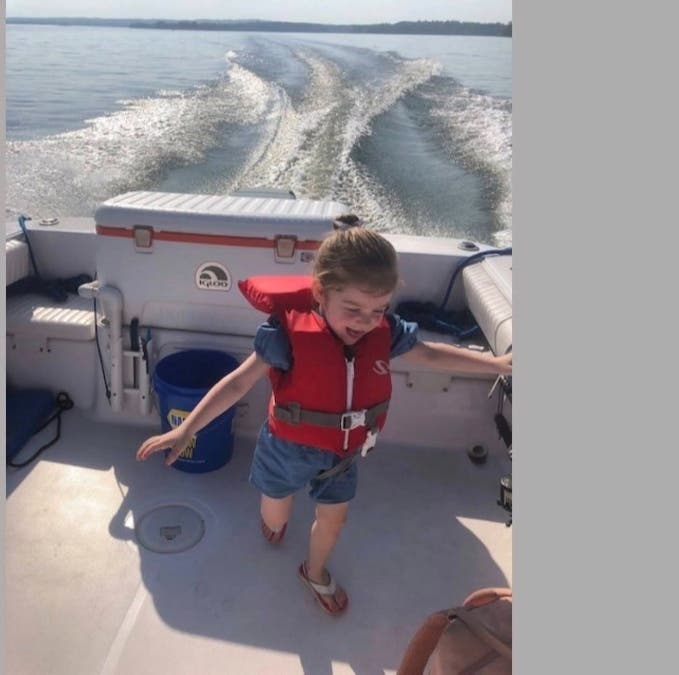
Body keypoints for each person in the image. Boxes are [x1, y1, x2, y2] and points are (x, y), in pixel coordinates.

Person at [136, 221, 512, 616]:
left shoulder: (386, 332)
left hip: (341, 456)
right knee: (275, 517)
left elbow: (431, 354)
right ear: (320, 292)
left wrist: (497, 365)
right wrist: (186, 429)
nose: (366, 321)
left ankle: (313, 571)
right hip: (285, 449)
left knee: (334, 521)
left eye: (378, 310)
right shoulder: (284, 335)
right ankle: (275, 521)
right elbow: (237, 384)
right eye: (353, 309)